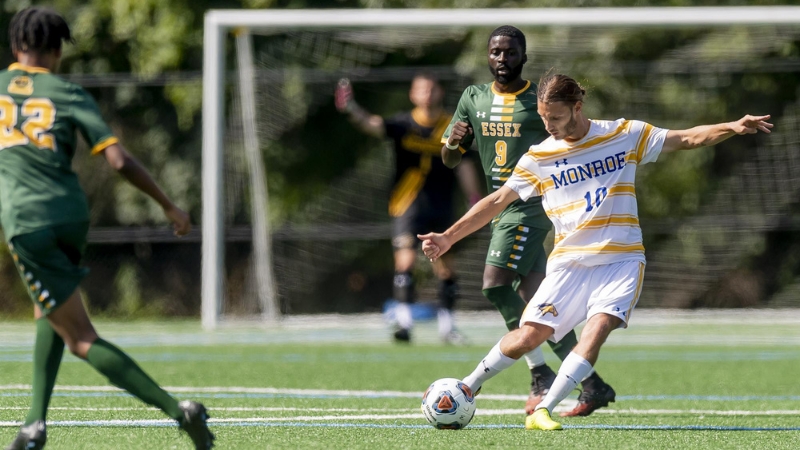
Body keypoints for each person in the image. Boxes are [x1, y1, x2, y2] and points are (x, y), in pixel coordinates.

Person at [421, 72, 773, 430]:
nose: (549, 125)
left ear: (577, 107)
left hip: (620, 261)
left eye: (555, 117)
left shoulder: (622, 134)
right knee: (529, 335)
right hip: (568, 264)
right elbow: (497, 200)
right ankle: (468, 386)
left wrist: (732, 126)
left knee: (597, 327)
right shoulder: (540, 156)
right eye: (543, 118)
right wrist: (449, 237)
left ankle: (545, 409)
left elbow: (685, 138)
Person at [1, 7, 214, 450]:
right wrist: (169, 206)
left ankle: (179, 411)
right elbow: (118, 160)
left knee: (80, 337)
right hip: (70, 215)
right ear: (57, 51)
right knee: (50, 308)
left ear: (14, 46)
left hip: (27, 221)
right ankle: (34, 424)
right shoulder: (67, 92)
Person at [440, 25, 615, 416]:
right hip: (499, 206)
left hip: (529, 204)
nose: (502, 59)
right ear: (487, 56)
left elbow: (573, 136)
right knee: (539, 303)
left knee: (494, 284)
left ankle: (540, 374)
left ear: (523, 56)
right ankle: (592, 385)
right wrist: (452, 142)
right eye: (495, 52)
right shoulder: (472, 98)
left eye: (510, 52)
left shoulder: (539, 102)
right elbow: (450, 158)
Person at [336, 72, 481, 344]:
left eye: (432, 88)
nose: (427, 94)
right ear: (413, 95)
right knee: (406, 262)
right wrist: (351, 108)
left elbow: (465, 164)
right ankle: (403, 324)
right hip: (407, 204)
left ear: (439, 92)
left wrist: (474, 198)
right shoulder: (403, 123)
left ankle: (447, 328)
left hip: (442, 205)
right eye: (421, 89)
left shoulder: (453, 125)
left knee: (446, 268)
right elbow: (373, 124)